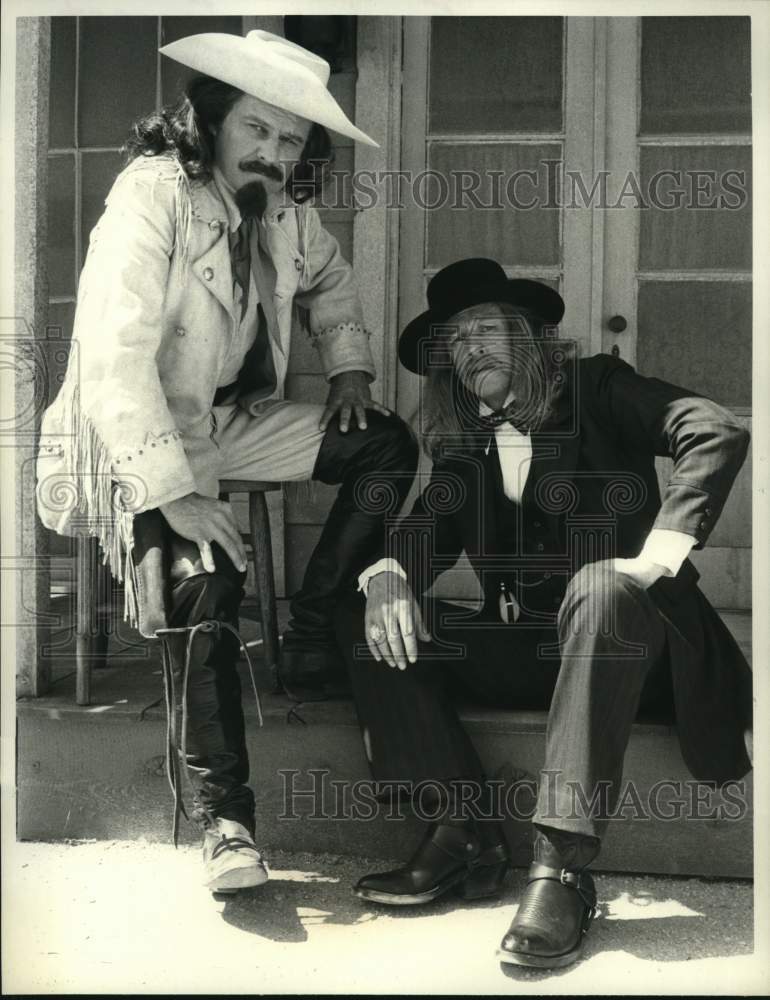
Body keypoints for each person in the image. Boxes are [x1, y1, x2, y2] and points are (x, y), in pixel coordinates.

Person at [36, 30, 417, 892]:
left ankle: (313, 626)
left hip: (230, 418)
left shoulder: (283, 208)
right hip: (139, 428)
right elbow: (112, 355)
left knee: (384, 443)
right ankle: (227, 824)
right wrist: (173, 493)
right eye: (258, 128)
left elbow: (330, 281)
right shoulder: (152, 194)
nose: (274, 152)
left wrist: (349, 367)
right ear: (209, 119)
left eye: (291, 139)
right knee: (207, 581)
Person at [334, 257, 752, 968]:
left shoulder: (598, 388)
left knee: (600, 588)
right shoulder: (466, 444)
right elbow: (420, 539)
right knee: (368, 609)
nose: (469, 349)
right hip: (536, 652)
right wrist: (388, 577)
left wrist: (654, 560)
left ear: (526, 335)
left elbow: (713, 430)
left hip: (638, 651)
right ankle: (461, 829)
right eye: (454, 341)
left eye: (484, 329)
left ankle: (559, 870)